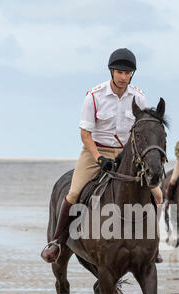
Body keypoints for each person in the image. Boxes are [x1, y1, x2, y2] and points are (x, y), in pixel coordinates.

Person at [41, 48, 163, 264]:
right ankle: (58, 241)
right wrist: (99, 158)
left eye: (128, 73)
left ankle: (153, 245)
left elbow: (142, 132)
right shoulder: (94, 96)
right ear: (111, 71)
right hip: (95, 151)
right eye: (120, 72)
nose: (124, 77)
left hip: (127, 154)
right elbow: (85, 134)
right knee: (73, 193)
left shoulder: (139, 97)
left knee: (158, 195)